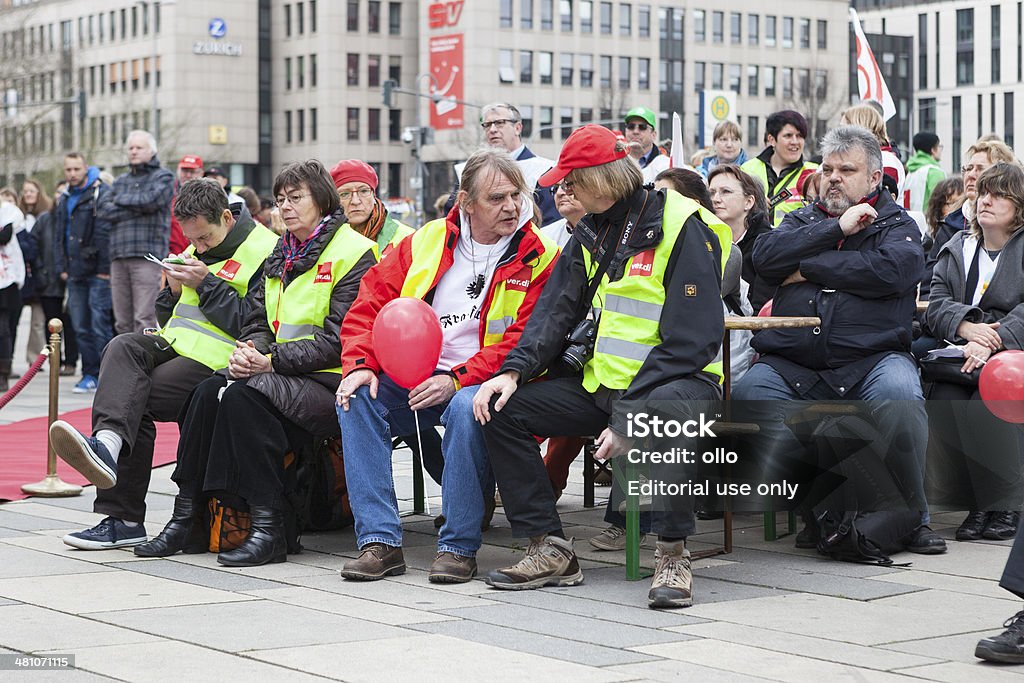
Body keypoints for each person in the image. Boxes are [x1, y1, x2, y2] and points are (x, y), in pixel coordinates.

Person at [472, 124, 727, 609]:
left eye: (571, 182)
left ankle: (673, 553)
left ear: (603, 178)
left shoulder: (683, 224)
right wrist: (512, 372)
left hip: (679, 384)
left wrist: (631, 413)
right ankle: (549, 547)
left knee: (665, 414)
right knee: (501, 409)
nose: (562, 192)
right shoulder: (591, 227)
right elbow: (555, 311)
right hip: (607, 387)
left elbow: (691, 343)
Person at [134, 161, 375, 566]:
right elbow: (258, 320)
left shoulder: (354, 252)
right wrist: (253, 350)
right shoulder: (283, 251)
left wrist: (269, 360)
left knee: (242, 399)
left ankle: (270, 527)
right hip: (281, 371)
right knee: (207, 391)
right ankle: (188, 515)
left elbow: (340, 340)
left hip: (330, 381)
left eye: (296, 198)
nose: (286, 207)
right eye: (281, 200)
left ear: (322, 200)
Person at [336, 148, 558, 583]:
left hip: (486, 381)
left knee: (463, 408)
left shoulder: (539, 254)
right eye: (497, 198)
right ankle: (379, 542)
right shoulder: (426, 240)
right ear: (466, 201)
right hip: (412, 373)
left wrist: (456, 380)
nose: (512, 207)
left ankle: (458, 546)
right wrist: (360, 364)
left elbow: (523, 341)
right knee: (356, 396)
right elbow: (369, 305)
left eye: (517, 195)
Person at [732, 125, 945, 554]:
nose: (833, 176)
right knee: (750, 399)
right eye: (828, 168)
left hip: (873, 359)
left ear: (873, 178)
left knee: (901, 397)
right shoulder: (802, 218)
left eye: (846, 169)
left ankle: (913, 518)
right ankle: (822, 508)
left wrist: (809, 268)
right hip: (794, 364)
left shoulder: (896, 223)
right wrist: (836, 232)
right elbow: (765, 259)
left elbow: (894, 272)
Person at [49, 178, 278, 550]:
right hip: (174, 344)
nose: (199, 246)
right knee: (121, 346)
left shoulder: (266, 249)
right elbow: (173, 314)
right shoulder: (196, 243)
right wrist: (170, 292)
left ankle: (122, 518)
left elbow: (256, 323)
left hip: (220, 358)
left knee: (132, 397)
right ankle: (106, 445)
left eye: (204, 239)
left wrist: (206, 285)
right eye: (194, 240)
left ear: (226, 216)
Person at [925, 163, 1024, 543]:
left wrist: (991, 341)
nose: (986, 200)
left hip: (1012, 353)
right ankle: (979, 501)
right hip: (963, 352)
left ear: (1018, 206)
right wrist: (967, 329)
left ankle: (1005, 501)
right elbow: (935, 305)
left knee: (990, 397)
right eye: (983, 192)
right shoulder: (958, 248)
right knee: (948, 398)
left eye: (999, 194)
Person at [922, 139, 1017, 301]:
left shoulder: (1017, 231)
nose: (971, 175)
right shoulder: (948, 226)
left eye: (980, 169)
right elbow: (929, 290)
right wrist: (959, 322)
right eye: (968, 168)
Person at [100, 130, 175, 334]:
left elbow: (151, 201)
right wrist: (138, 207)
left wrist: (121, 201)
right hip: (119, 256)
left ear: (152, 151)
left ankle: (143, 365)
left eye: (139, 147)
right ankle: (124, 363)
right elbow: (104, 209)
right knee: (121, 321)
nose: (133, 152)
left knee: (144, 318)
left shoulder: (164, 176)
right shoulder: (120, 181)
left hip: (147, 255)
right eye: (130, 148)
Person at [54, 153, 113, 393]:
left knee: (101, 324)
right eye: (68, 169)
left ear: (85, 168)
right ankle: (89, 373)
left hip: (97, 272)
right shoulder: (65, 197)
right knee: (80, 326)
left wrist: (104, 269)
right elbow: (59, 234)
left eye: (77, 169)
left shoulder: (101, 192)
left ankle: (108, 376)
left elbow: (106, 232)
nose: (72, 174)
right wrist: (62, 267)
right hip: (74, 271)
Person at [446, 103, 560, 226]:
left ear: (518, 128)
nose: (492, 129)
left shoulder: (542, 170)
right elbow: (453, 217)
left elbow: (551, 222)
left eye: (500, 123)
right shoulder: (468, 170)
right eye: (487, 125)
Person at [708, 164, 775, 313]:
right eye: (711, 193)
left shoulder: (768, 245)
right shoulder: (701, 239)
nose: (716, 199)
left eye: (726, 192)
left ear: (749, 202)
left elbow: (762, 307)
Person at [741, 110, 818, 226]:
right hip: (755, 240)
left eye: (800, 136)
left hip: (797, 241)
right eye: (788, 136)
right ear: (772, 139)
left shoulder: (814, 173)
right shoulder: (747, 169)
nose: (795, 142)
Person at [330, 160, 414, 258]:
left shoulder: (407, 237)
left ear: (373, 195)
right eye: (344, 194)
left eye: (363, 191)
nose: (355, 201)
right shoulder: (322, 241)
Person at [840, 104, 905, 202]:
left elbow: (880, 204)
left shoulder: (886, 161)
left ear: (860, 128)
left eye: (844, 129)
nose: (839, 134)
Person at [17, 180, 49, 366]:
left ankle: (34, 360)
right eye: (25, 191)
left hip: (38, 275)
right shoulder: (17, 217)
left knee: (38, 322)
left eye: (31, 191)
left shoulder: (45, 216)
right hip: (19, 275)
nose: (28, 194)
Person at [0, 199, 25, 391]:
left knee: (3, 329)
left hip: (5, 280)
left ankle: (3, 372)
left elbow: (5, 236)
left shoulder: (9, 213)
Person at [169, 155, 205, 256]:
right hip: (169, 253)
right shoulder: (167, 192)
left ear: (201, 173)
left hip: (198, 253)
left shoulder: (208, 197)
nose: (188, 175)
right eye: (185, 171)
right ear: (178, 171)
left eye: (192, 171)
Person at [623, 106, 670, 184]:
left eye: (642, 127)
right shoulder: (615, 162)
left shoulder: (665, 165)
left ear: (654, 135)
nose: (635, 131)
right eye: (631, 126)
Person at [904, 132, 946, 213]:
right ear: (933, 150)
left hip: (910, 222)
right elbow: (940, 204)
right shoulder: (935, 172)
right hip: (928, 222)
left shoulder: (910, 171)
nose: (940, 150)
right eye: (939, 146)